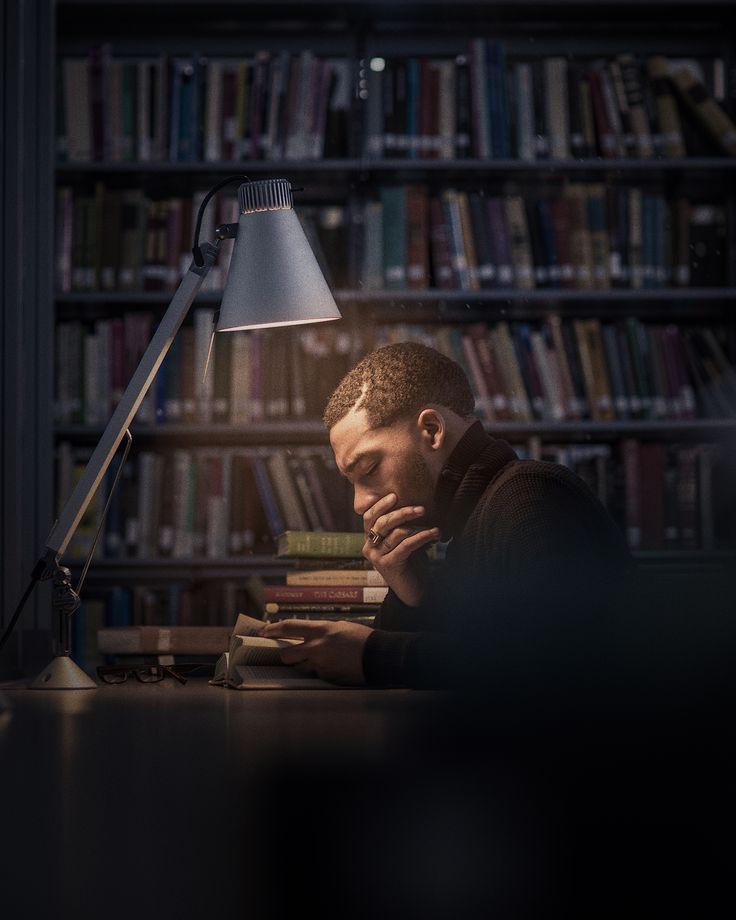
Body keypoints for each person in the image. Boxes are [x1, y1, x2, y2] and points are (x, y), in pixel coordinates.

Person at [262, 341, 634, 691]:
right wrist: (412, 592)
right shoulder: (470, 518)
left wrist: (373, 654)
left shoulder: (532, 497)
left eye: (370, 468)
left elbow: (552, 665)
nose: (360, 504)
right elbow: (466, 656)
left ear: (431, 430)